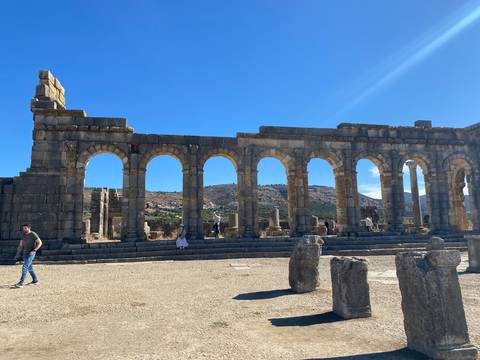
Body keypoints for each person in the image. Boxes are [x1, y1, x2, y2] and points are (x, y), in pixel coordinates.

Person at [13, 223, 42, 288]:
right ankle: (35, 280)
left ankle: (21, 282)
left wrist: (34, 250)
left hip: (31, 253)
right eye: (23, 228)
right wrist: (17, 254)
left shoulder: (33, 234)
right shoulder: (23, 235)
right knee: (29, 268)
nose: (24, 229)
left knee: (25, 266)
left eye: (25, 228)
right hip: (25, 253)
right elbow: (20, 245)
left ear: (29, 228)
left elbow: (40, 242)